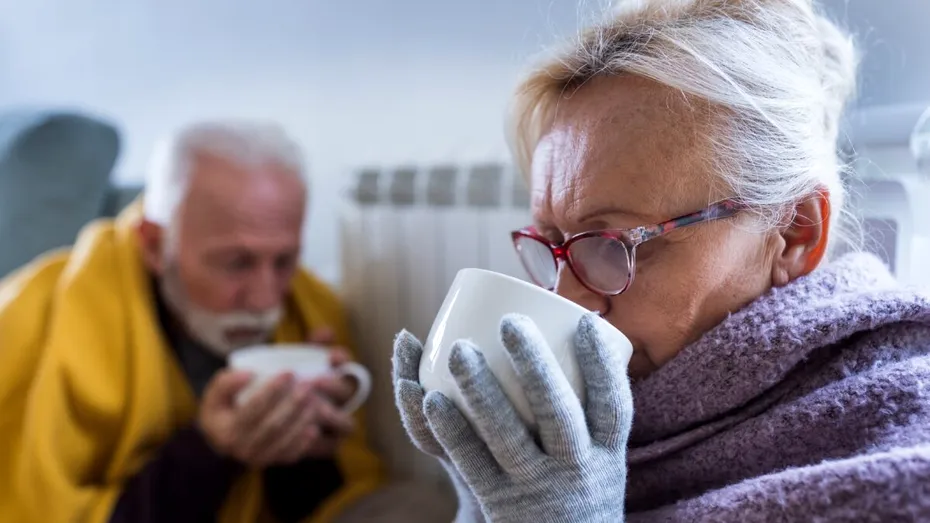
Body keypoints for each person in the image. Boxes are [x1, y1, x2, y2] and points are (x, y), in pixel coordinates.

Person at [393, 0, 930, 521]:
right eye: (554, 241)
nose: (566, 297)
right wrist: (483, 489)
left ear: (794, 233)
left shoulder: (903, 451)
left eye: (615, 244)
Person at [0, 121, 385, 523]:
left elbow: (326, 506)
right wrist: (211, 451)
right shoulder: (38, 319)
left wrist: (306, 450)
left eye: (285, 261)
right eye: (236, 263)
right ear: (153, 245)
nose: (266, 299)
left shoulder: (310, 310)